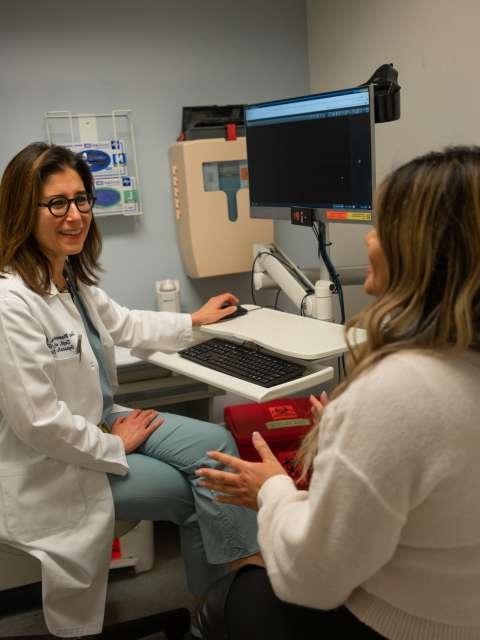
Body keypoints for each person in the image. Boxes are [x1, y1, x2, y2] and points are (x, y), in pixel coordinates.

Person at [196, 146, 480, 640]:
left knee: (236, 591)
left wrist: (272, 492)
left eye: (382, 226)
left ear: (419, 250)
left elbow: (310, 582)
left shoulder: (395, 392)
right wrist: (349, 445)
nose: (369, 238)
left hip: (396, 626)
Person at [0, 142, 261, 638]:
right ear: (21, 210)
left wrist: (194, 320)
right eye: (57, 203)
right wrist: (114, 444)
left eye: (82, 200)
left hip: (100, 420)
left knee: (218, 448)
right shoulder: (10, 302)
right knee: (192, 491)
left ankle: (237, 592)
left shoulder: (69, 278)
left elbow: (126, 324)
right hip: (55, 463)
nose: (74, 215)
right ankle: (216, 619)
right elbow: (38, 423)